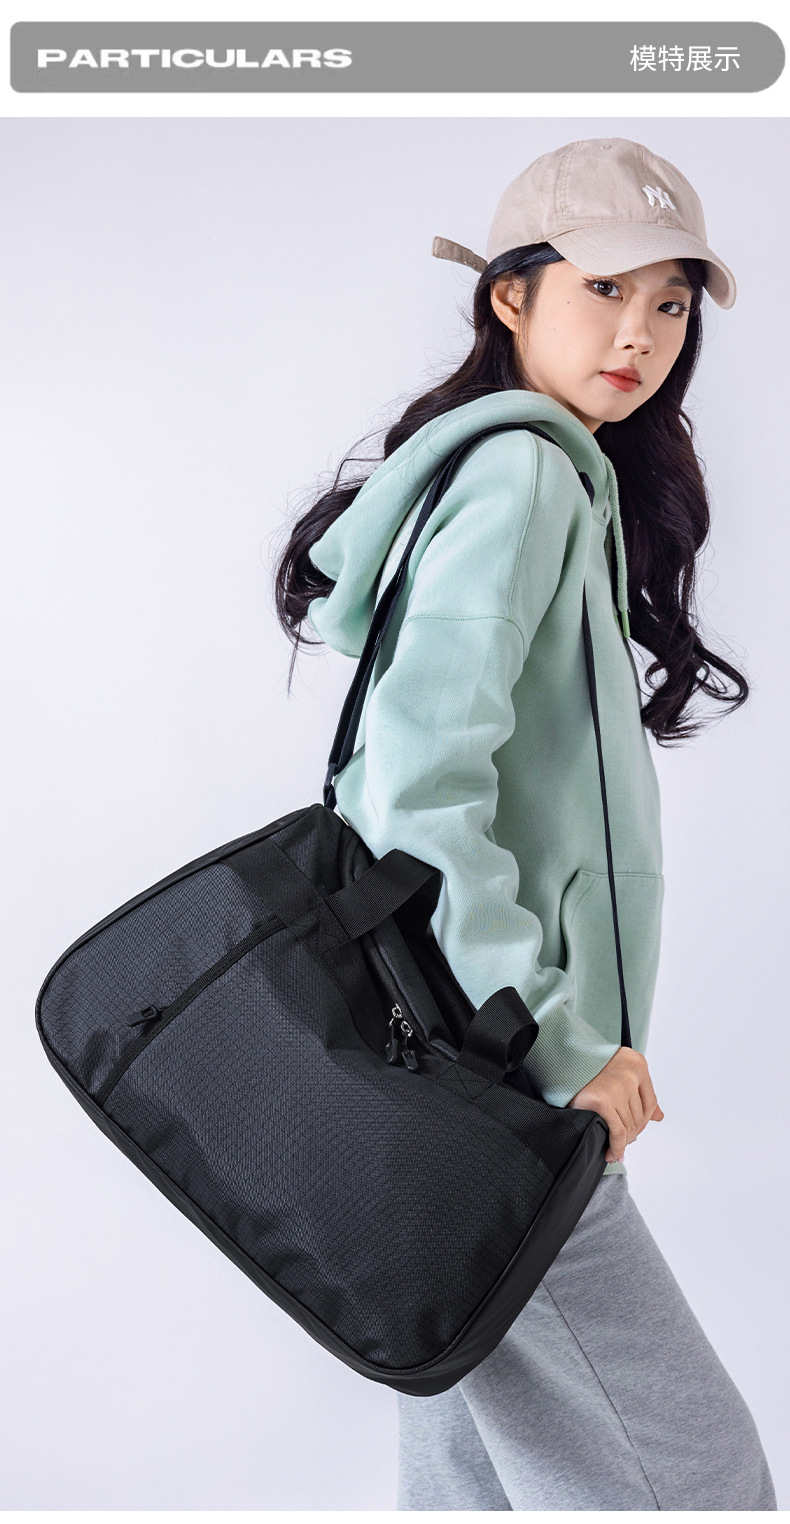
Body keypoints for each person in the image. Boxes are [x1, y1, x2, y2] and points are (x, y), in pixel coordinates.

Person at [274, 138, 777, 1510]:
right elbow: (412, 790)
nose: (639, 335)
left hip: (447, 1069)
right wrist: (553, 1040)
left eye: (669, 302)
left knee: (471, 1486)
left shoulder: (528, 472)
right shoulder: (526, 477)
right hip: (500, 1076)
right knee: (698, 1480)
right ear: (511, 296)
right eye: (604, 287)